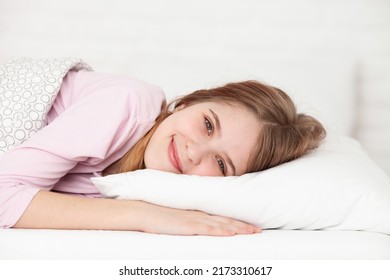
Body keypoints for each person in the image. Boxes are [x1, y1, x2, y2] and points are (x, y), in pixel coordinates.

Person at [0, 70, 326, 235]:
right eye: (208, 125)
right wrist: (143, 217)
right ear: (187, 103)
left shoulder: (154, 185)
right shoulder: (127, 105)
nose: (194, 151)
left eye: (222, 163)